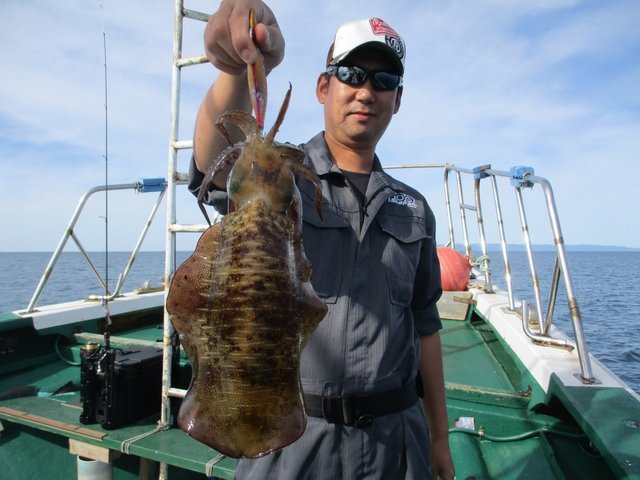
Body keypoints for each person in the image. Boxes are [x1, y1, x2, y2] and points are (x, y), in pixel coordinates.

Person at [189, 1, 455, 479]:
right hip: (291, 439)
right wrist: (235, 68)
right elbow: (212, 159)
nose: (366, 91)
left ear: (398, 99)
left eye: (384, 81)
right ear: (323, 86)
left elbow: (425, 325)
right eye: (352, 73)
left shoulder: (414, 208)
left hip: (396, 444)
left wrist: (439, 438)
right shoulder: (275, 176)